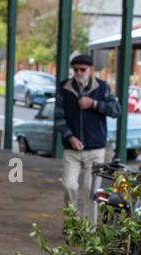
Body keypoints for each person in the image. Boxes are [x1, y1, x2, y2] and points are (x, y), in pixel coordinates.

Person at [54, 53, 121, 222]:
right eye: (75, 69)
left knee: (93, 191)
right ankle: (73, 224)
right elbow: (58, 117)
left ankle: (89, 231)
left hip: (96, 149)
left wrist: (94, 104)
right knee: (69, 185)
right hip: (72, 149)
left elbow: (116, 110)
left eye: (82, 69)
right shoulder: (64, 88)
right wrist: (70, 137)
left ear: (91, 70)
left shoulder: (102, 87)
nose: (78, 72)